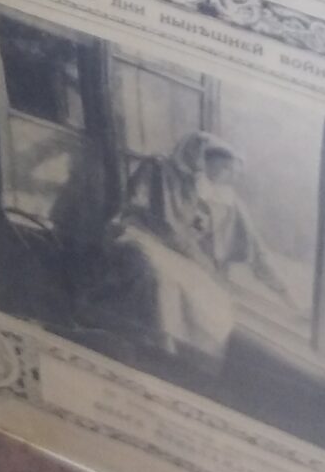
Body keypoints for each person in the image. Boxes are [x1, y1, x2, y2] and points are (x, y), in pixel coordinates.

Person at [106, 133, 290, 370]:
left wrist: (284, 293)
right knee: (162, 281)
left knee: (211, 299)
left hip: (183, 256)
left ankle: (190, 361)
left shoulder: (228, 201)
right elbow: (147, 214)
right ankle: (160, 349)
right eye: (225, 168)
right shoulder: (159, 169)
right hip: (145, 236)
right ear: (205, 159)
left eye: (234, 172)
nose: (229, 176)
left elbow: (257, 250)